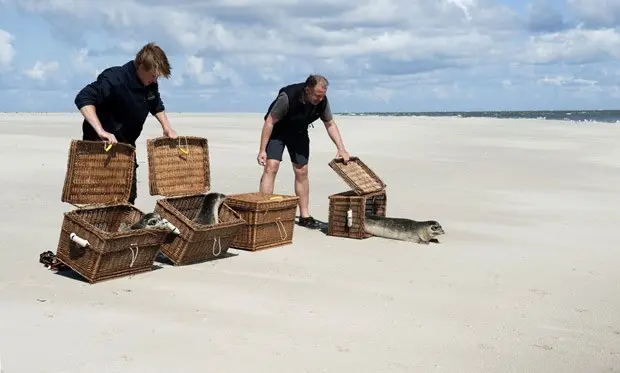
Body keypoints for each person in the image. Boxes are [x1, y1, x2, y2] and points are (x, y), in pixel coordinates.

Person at [73, 42, 178, 205]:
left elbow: (155, 104)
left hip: (127, 150)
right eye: (153, 75)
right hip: (100, 151)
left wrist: (167, 127)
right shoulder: (115, 78)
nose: (155, 80)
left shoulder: (150, 85)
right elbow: (83, 98)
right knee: (99, 204)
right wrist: (100, 130)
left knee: (127, 201)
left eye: (157, 77)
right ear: (141, 66)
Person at [257, 74, 350, 229]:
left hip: (299, 133)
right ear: (307, 90)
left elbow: (330, 124)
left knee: (302, 171)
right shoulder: (287, 97)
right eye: (317, 96)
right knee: (271, 167)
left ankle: (305, 216)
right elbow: (269, 122)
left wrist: (341, 149)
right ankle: (264, 213)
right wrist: (262, 150)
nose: (320, 99)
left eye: (323, 96)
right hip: (277, 131)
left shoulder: (322, 101)